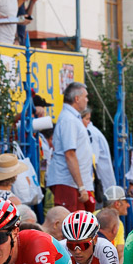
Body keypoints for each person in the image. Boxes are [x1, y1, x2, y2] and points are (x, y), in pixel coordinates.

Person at [48, 82, 95, 212]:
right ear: (77, 98)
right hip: (68, 182)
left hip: (73, 183)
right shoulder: (68, 119)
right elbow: (70, 154)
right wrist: (81, 186)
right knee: (71, 223)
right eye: (85, 96)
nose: (87, 100)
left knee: (81, 224)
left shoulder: (72, 118)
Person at [81, 107, 115, 204]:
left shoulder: (90, 133)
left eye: (88, 119)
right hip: (101, 183)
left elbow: (92, 161)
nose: (88, 121)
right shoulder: (91, 131)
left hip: (98, 184)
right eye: (86, 119)